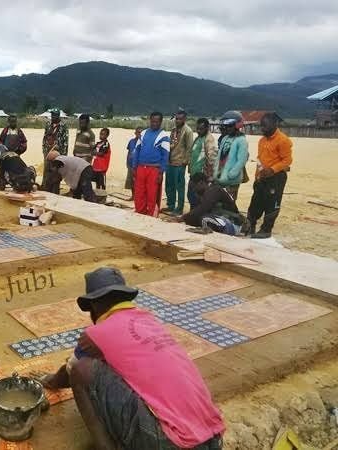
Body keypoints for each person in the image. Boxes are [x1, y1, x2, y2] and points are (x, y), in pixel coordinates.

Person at [42, 267, 225, 450]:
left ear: (94, 306)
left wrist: (49, 381)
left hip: (171, 442)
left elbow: (71, 370)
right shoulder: (150, 322)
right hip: (212, 437)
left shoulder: (96, 334)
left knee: (82, 369)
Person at [247, 113, 293, 239]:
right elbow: (260, 159)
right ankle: (250, 225)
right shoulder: (262, 141)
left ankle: (266, 229)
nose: (262, 129)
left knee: (271, 203)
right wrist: (257, 176)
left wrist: (272, 170)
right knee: (256, 201)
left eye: (265, 126)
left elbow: (287, 161)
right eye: (261, 126)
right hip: (262, 178)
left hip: (276, 178)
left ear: (274, 124)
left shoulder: (283, 140)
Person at [173, 173, 246, 235]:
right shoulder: (205, 192)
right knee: (193, 219)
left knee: (205, 219)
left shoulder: (214, 190)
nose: (194, 190)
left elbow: (203, 208)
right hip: (221, 220)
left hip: (232, 225)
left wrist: (182, 218)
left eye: (195, 187)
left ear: (201, 183)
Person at [132, 112, 170, 217]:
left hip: (154, 169)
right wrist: (134, 167)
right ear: (150, 120)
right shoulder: (143, 133)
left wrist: (161, 172)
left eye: (157, 122)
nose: (154, 123)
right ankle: (140, 213)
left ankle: (151, 215)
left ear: (161, 122)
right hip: (141, 167)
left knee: (152, 194)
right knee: (139, 193)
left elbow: (165, 155)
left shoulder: (164, 136)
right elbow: (137, 150)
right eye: (152, 121)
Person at [163, 110, 194, 216]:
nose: (177, 120)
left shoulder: (188, 131)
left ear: (185, 119)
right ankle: (170, 205)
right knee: (169, 185)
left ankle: (179, 208)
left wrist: (185, 162)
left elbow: (189, 148)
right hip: (170, 161)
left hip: (180, 163)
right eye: (176, 118)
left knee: (179, 187)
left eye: (180, 118)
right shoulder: (173, 130)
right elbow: (170, 144)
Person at [213, 111, 249, 200]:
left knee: (229, 203)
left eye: (230, 126)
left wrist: (232, 174)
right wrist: (215, 170)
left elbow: (242, 160)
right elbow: (219, 156)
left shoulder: (241, 141)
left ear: (237, 125)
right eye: (225, 126)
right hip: (220, 177)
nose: (227, 128)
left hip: (232, 181)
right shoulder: (225, 138)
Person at [187, 118, 218, 209]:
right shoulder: (198, 138)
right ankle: (193, 214)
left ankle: (196, 218)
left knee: (197, 198)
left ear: (207, 128)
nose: (199, 131)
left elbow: (211, 158)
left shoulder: (209, 139)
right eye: (198, 129)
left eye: (201, 129)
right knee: (191, 196)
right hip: (194, 174)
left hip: (201, 177)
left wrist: (209, 176)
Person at [41, 109, 69, 193]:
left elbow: (66, 141)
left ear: (59, 116)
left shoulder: (63, 126)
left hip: (58, 152)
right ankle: (45, 186)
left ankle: (55, 189)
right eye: (52, 115)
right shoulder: (48, 124)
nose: (53, 117)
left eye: (55, 115)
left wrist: (63, 155)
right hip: (48, 151)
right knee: (47, 169)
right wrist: (44, 149)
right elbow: (45, 137)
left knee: (56, 170)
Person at [125, 127, 141, 200]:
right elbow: (129, 152)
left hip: (139, 165)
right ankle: (133, 196)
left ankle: (138, 197)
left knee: (138, 182)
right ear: (135, 133)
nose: (139, 134)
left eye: (140, 133)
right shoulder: (131, 141)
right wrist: (127, 162)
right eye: (138, 132)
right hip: (130, 164)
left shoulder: (143, 143)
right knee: (131, 181)